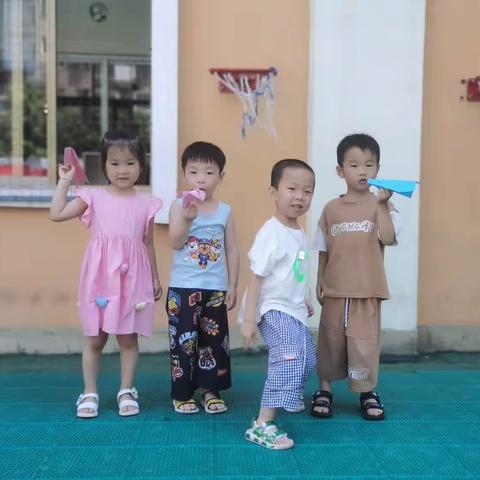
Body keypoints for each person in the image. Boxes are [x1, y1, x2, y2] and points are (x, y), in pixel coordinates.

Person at [50, 130, 163, 418]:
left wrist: (154, 278)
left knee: (128, 338)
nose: (122, 170)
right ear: (104, 165)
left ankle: (127, 390)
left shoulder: (147, 203)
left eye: (130, 163)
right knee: (96, 339)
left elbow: (147, 243)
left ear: (141, 165)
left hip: (133, 279)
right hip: (100, 279)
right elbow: (57, 213)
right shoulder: (93, 197)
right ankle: (89, 392)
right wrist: (65, 180)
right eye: (114, 163)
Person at [311, 133, 400, 421]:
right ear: (340, 171)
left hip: (367, 289)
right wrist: (319, 278)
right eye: (354, 165)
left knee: (365, 343)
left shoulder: (381, 205)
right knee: (330, 340)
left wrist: (384, 206)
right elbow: (323, 248)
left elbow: (388, 237)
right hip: (335, 289)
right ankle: (324, 390)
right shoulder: (330, 209)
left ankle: (368, 392)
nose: (362, 171)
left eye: (369, 165)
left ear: (378, 169)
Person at [240, 159, 317, 450]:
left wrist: (304, 298)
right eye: (292, 188)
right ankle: (262, 424)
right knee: (288, 355)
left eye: (307, 191)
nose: (299, 196)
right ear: (274, 191)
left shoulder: (299, 233)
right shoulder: (270, 232)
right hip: (271, 307)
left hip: (293, 308)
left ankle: (289, 393)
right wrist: (249, 320)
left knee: (308, 357)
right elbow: (255, 280)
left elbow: (297, 271)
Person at [167, 141, 239, 414]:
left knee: (214, 342)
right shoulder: (179, 205)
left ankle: (211, 390)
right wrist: (186, 219)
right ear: (184, 175)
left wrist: (232, 285)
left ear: (221, 176)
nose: (201, 178)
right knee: (183, 343)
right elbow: (175, 243)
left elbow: (232, 249)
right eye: (194, 172)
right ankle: (182, 394)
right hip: (183, 289)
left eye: (209, 172)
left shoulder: (225, 211)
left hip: (215, 289)